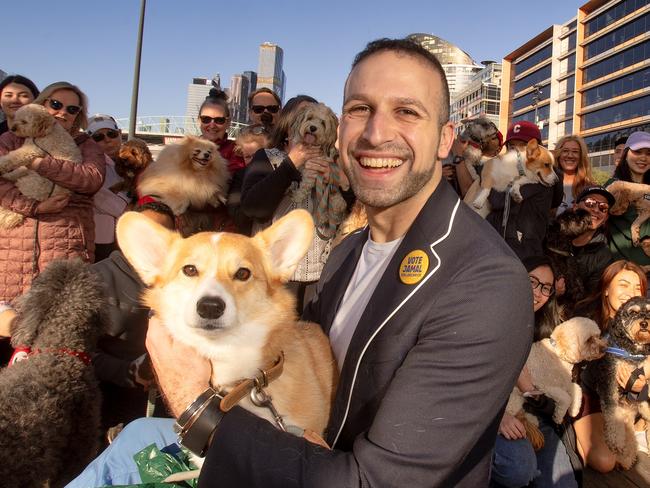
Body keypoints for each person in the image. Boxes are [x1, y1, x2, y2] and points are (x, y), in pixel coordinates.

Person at [69, 37, 533, 488]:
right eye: (359, 109)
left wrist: (194, 403)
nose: (376, 133)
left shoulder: (485, 282)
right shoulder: (349, 252)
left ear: (444, 139)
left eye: (407, 111)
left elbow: (376, 481)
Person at [0, 81, 105, 303]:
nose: (62, 112)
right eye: (56, 104)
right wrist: (34, 207)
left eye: (72, 109)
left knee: (59, 322)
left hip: (66, 244)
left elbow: (90, 180)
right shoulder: (11, 139)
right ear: (42, 103)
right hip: (12, 246)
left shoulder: (86, 145)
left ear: (78, 115)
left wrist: (38, 162)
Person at [241, 94, 348, 310]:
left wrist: (341, 181)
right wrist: (291, 164)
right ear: (289, 122)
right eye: (303, 116)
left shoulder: (335, 162)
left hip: (319, 273)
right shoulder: (268, 157)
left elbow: (349, 209)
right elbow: (253, 207)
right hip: (273, 272)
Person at [491, 255, 578, 488]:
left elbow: (538, 393)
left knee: (564, 483)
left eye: (546, 288)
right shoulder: (487, 315)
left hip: (530, 413)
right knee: (518, 468)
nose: (538, 292)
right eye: (532, 281)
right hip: (487, 411)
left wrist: (536, 394)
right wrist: (497, 416)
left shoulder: (541, 330)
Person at [92, 201, 176, 434]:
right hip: (112, 404)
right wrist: (127, 371)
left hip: (171, 405)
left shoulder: (186, 281)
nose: (154, 243)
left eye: (164, 234)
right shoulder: (93, 279)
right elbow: (76, 352)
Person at [573, 260, 647, 473]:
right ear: (606, 289)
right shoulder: (587, 318)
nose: (630, 292)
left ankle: (639, 427)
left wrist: (641, 386)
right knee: (605, 462)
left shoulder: (644, 324)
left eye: (637, 288)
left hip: (629, 401)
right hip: (591, 396)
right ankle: (574, 435)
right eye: (623, 285)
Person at [486, 121, 562, 260]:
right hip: (498, 247)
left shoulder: (543, 173)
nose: (516, 151)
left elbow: (497, 201)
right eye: (511, 146)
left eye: (522, 146)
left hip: (525, 253)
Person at [87, 114, 129, 262]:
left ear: (119, 134)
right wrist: (134, 209)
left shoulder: (131, 161)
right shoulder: (90, 164)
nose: (107, 139)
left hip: (127, 235)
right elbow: (101, 196)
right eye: (98, 137)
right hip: (104, 238)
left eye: (111, 134)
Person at [608, 131, 650, 266]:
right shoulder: (613, 186)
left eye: (649, 153)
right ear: (626, 154)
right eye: (638, 152)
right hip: (623, 271)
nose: (644, 158)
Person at [566, 185, 614, 296]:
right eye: (590, 202)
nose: (596, 210)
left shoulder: (603, 257)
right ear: (575, 207)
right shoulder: (553, 235)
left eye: (603, 207)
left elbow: (590, 299)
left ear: (605, 218)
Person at [226, 124, 271, 235]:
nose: (252, 162)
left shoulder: (278, 174)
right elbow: (237, 216)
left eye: (258, 156)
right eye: (247, 157)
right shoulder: (240, 177)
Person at [198, 88, 244, 173]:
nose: (212, 125)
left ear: (228, 123)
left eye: (219, 120)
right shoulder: (185, 148)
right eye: (206, 119)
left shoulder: (237, 151)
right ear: (199, 121)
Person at [554, 135, 594, 215]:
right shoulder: (547, 184)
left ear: (581, 156)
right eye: (565, 151)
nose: (570, 155)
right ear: (558, 155)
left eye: (575, 152)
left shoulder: (591, 188)